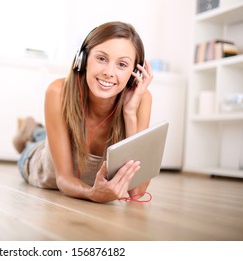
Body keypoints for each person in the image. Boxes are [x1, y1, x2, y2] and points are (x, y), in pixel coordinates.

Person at [13, 21, 153, 203]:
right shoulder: (58, 91)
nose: (109, 72)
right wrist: (93, 194)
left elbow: (137, 192)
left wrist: (130, 114)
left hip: (62, 145)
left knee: (45, 135)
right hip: (38, 163)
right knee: (38, 143)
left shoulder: (141, 100)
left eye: (122, 64)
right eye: (102, 58)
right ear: (84, 59)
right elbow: (63, 180)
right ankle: (29, 130)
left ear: (134, 71)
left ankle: (36, 129)